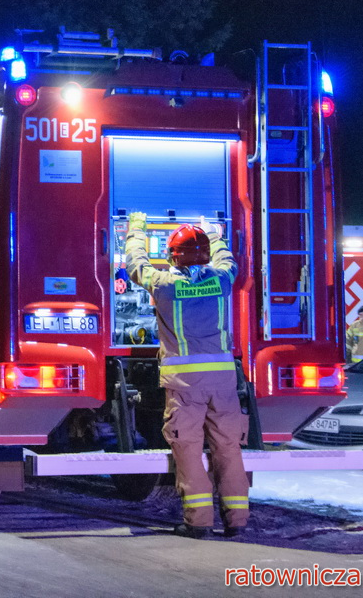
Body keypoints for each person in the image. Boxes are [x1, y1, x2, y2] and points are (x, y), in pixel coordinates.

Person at [124, 212, 249, 539]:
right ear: (206, 253)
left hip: (184, 384)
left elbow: (136, 265)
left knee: (189, 449)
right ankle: (236, 521)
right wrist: (215, 233)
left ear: (172, 256)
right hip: (223, 381)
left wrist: (136, 229)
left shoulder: (164, 285)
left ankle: (198, 522)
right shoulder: (222, 280)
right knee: (229, 449)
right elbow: (227, 261)